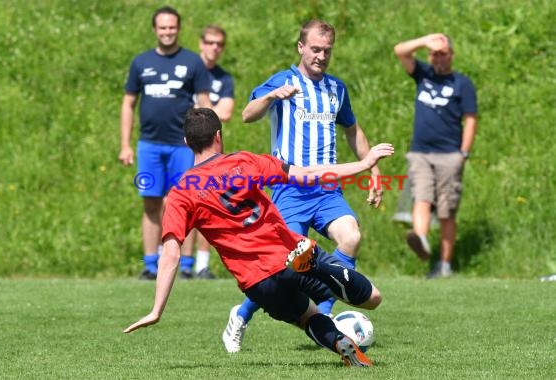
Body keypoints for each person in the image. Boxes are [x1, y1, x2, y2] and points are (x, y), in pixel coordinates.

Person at [123, 108, 395, 367]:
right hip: (291, 253)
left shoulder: (182, 191)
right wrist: (364, 163)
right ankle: (319, 267)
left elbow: (171, 253)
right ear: (218, 135)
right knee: (373, 298)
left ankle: (342, 345)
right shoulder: (244, 162)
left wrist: (157, 309)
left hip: (257, 281)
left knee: (307, 317)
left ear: (186, 142)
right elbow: (309, 175)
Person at [222, 19, 384, 353]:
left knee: (350, 236)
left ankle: (323, 318)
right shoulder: (284, 81)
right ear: (301, 47)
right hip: (289, 188)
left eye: (327, 50)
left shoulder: (337, 89)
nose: (321, 56)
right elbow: (247, 115)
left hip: (327, 190)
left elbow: (353, 130)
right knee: (284, 267)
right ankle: (240, 316)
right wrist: (271, 96)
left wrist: (374, 171)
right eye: (315, 49)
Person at [118, 6, 212, 280]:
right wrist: (125, 144)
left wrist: (209, 145)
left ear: (178, 29)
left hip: (184, 147)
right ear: (155, 30)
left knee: (186, 203)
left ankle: (184, 265)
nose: (167, 31)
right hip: (149, 146)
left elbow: (205, 103)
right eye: (162, 27)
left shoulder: (193, 62)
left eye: (172, 27)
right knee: (150, 202)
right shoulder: (141, 62)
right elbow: (128, 104)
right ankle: (150, 264)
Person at [393, 33, 477, 279]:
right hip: (420, 152)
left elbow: (470, 119)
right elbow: (400, 50)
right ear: (429, 56)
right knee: (421, 196)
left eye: (443, 53)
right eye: (434, 54)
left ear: (451, 55)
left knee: (446, 212)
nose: (438, 58)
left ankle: (444, 265)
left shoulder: (462, 83)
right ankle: (420, 239)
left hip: (450, 154)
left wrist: (464, 152)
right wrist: (424, 41)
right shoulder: (423, 74)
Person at [179, 24, 235, 280]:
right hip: (182, 145)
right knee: (180, 202)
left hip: (210, 149)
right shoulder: (186, 70)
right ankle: (184, 263)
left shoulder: (223, 79)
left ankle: (202, 264)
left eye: (219, 44)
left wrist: (200, 109)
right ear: (201, 42)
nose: (214, 48)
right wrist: (208, 109)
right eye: (210, 42)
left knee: (207, 201)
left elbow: (225, 113)